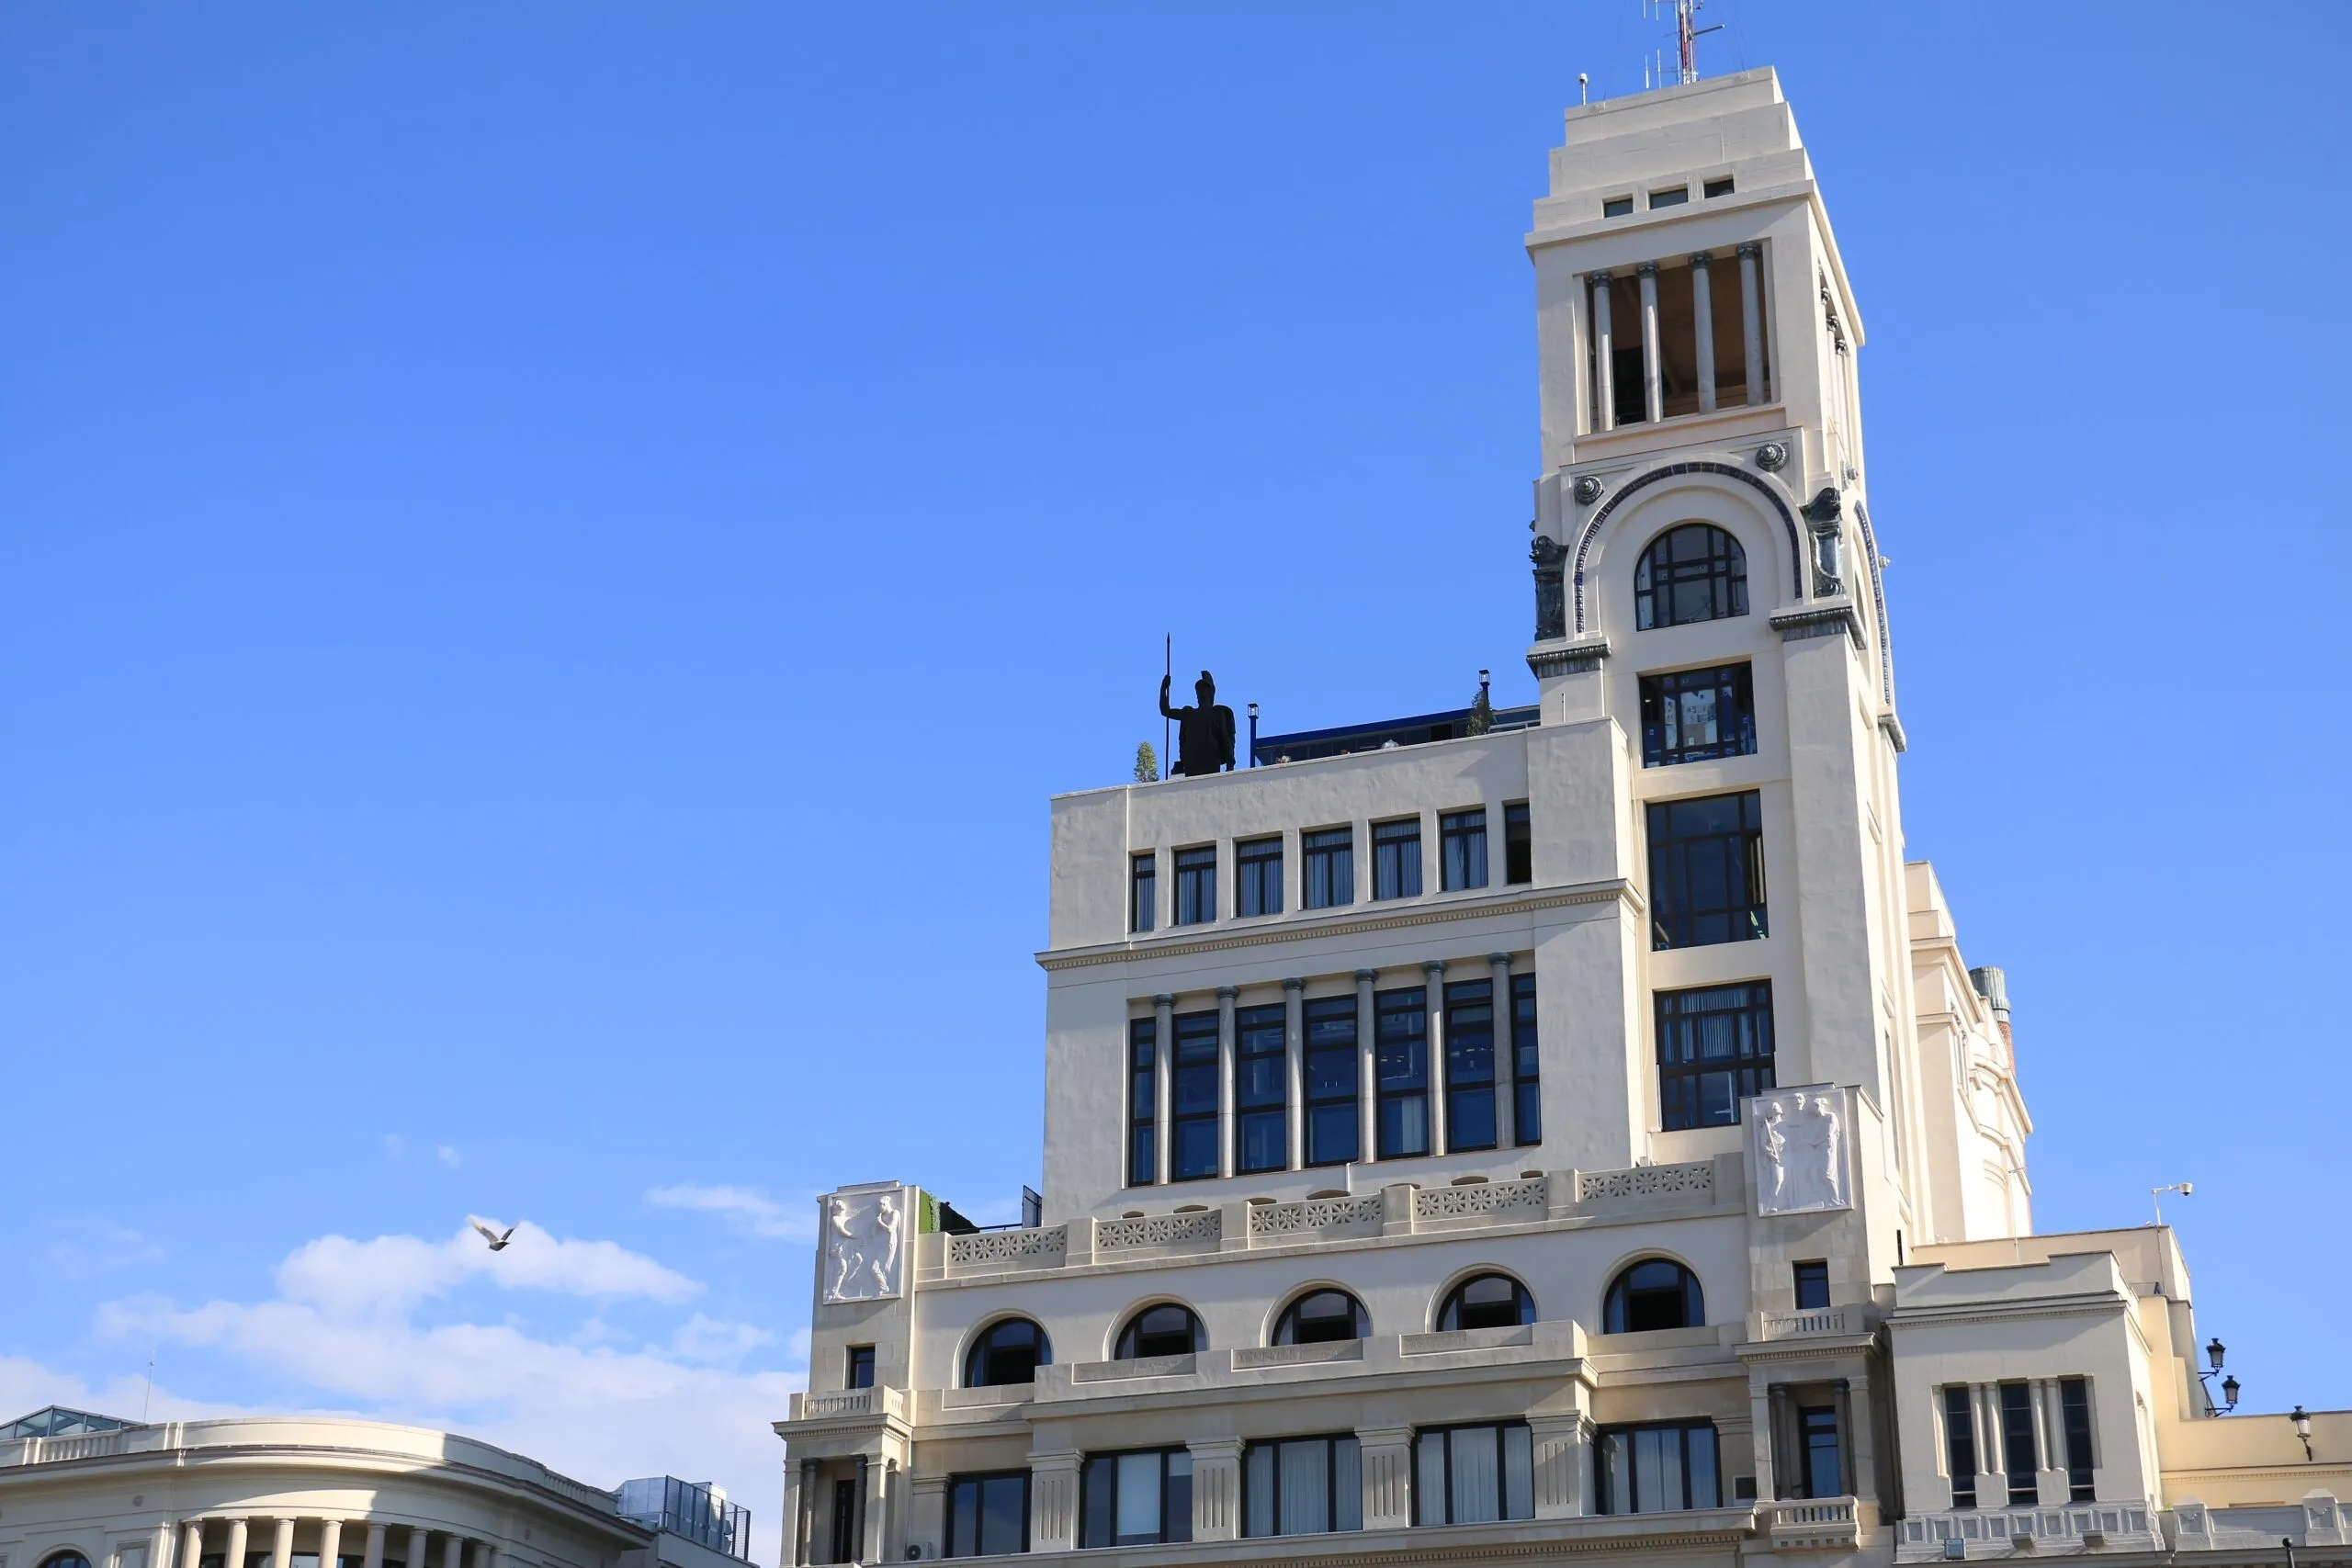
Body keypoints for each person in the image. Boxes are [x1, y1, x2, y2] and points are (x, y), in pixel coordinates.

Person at [1159, 670, 1237, 776]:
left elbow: (1225, 737)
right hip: (1192, 760)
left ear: (1210, 691)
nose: (1199, 692)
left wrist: (1230, 761)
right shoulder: (1188, 713)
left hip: (1211, 759)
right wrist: (1164, 688)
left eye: (1203, 688)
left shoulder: (1217, 713)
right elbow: (1165, 711)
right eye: (1198, 690)